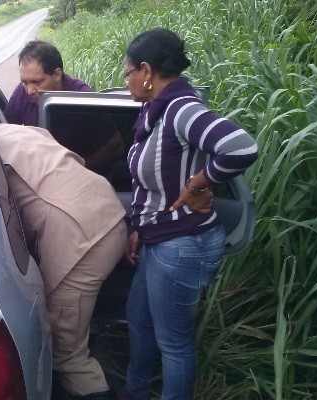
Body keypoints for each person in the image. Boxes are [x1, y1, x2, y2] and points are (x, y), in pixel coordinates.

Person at [120, 28, 259, 400]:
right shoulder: (155, 111)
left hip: (182, 244)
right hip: (157, 237)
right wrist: (137, 226)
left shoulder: (181, 110)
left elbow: (241, 147)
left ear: (146, 70)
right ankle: (135, 392)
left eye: (127, 70)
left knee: (173, 344)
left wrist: (199, 181)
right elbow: (149, 185)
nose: (126, 78)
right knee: (139, 322)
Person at [0, 123, 127, 400]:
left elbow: (2, 225)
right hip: (110, 212)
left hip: (82, 242)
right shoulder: (18, 130)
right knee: (73, 320)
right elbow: (72, 160)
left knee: (67, 354)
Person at [4, 40, 124, 177]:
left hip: (84, 177)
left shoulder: (82, 97)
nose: (29, 90)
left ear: (57, 74)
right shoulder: (21, 93)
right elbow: (6, 134)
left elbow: (115, 146)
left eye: (37, 82)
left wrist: (77, 170)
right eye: (24, 82)